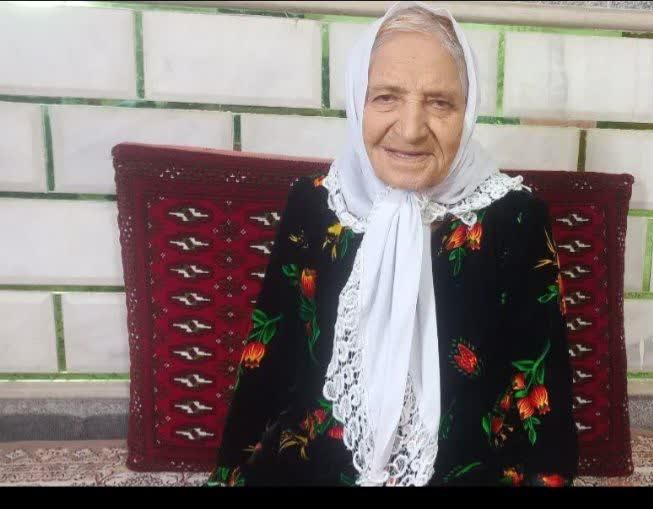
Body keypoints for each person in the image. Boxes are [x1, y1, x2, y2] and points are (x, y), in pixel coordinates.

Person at [206, 0, 578, 487]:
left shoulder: (514, 218)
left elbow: (542, 387)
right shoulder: (316, 206)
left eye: (440, 102)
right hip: (314, 467)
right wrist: (229, 476)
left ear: (468, 112)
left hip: (465, 472)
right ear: (357, 102)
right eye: (385, 97)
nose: (410, 128)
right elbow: (271, 358)